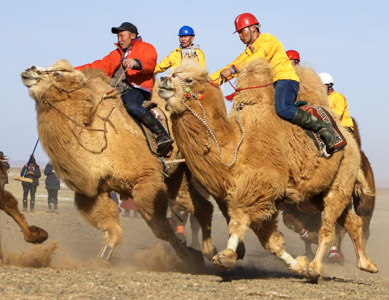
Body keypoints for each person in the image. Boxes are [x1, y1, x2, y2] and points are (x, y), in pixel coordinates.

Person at [209, 13, 335, 149]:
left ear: (253, 28)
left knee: (283, 109)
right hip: (271, 85)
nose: (240, 35)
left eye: (241, 31)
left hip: (285, 79)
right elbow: (236, 63)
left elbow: (257, 57)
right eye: (238, 32)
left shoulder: (267, 40)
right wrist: (209, 79)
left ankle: (322, 127)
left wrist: (233, 70)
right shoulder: (249, 50)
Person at [75, 22, 173, 155]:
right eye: (118, 37)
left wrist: (137, 63)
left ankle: (162, 134)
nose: (119, 40)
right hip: (114, 91)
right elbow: (98, 66)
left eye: (122, 36)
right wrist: (70, 71)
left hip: (135, 88)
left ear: (133, 35)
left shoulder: (146, 47)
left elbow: (150, 61)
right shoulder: (115, 54)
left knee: (132, 105)